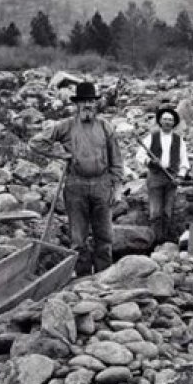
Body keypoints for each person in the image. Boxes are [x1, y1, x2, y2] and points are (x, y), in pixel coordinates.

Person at [30, 81, 124, 276]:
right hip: (76, 185)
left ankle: (104, 278)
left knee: (104, 236)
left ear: (95, 104)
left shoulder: (105, 127)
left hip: (102, 184)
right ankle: (82, 279)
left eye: (91, 101)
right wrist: (61, 154)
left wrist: (117, 188)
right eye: (83, 101)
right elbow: (36, 142)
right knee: (78, 238)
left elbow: (116, 160)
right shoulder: (66, 126)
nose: (87, 105)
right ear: (77, 104)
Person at [136, 104, 190, 244]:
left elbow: (184, 161)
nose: (167, 122)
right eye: (165, 119)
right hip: (155, 177)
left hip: (171, 178)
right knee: (155, 211)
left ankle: (166, 241)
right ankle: (155, 240)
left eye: (170, 120)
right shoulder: (151, 137)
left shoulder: (179, 140)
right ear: (160, 121)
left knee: (167, 211)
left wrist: (180, 176)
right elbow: (140, 155)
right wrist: (150, 161)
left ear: (174, 123)